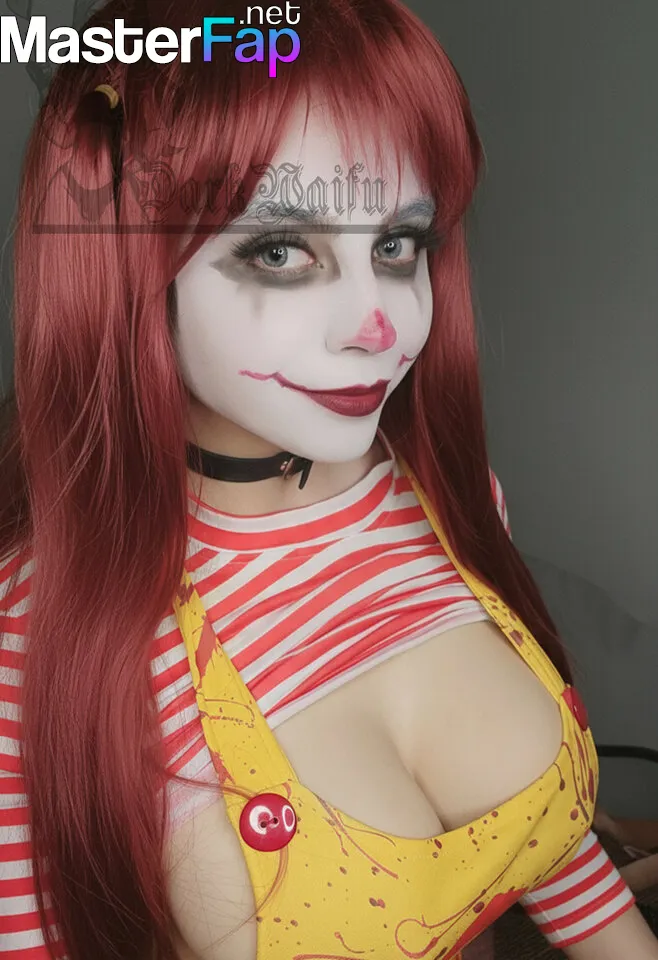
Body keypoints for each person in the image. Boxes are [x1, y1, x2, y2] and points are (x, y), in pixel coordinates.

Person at [1, 1, 656, 958]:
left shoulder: (457, 498)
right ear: (125, 274)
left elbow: (553, 853)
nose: (377, 326)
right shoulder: (45, 631)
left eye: (397, 245)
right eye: (280, 251)